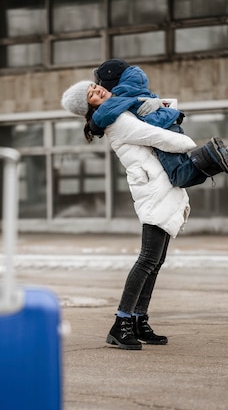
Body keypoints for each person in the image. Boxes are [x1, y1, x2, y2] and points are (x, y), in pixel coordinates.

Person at [61, 79, 203, 350]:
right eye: (91, 94)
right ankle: (120, 323)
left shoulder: (117, 112)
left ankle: (138, 320)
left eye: (94, 85)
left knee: (155, 260)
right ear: (88, 106)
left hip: (158, 187)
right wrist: (188, 143)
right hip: (152, 191)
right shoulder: (117, 120)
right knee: (148, 259)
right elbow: (156, 136)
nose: (97, 90)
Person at [89, 59, 228, 187]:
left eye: (98, 86)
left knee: (178, 177)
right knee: (186, 174)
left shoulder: (120, 95)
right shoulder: (135, 85)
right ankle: (223, 159)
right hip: (169, 124)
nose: (99, 90)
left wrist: (93, 125)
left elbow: (103, 115)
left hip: (161, 128)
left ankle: (211, 153)